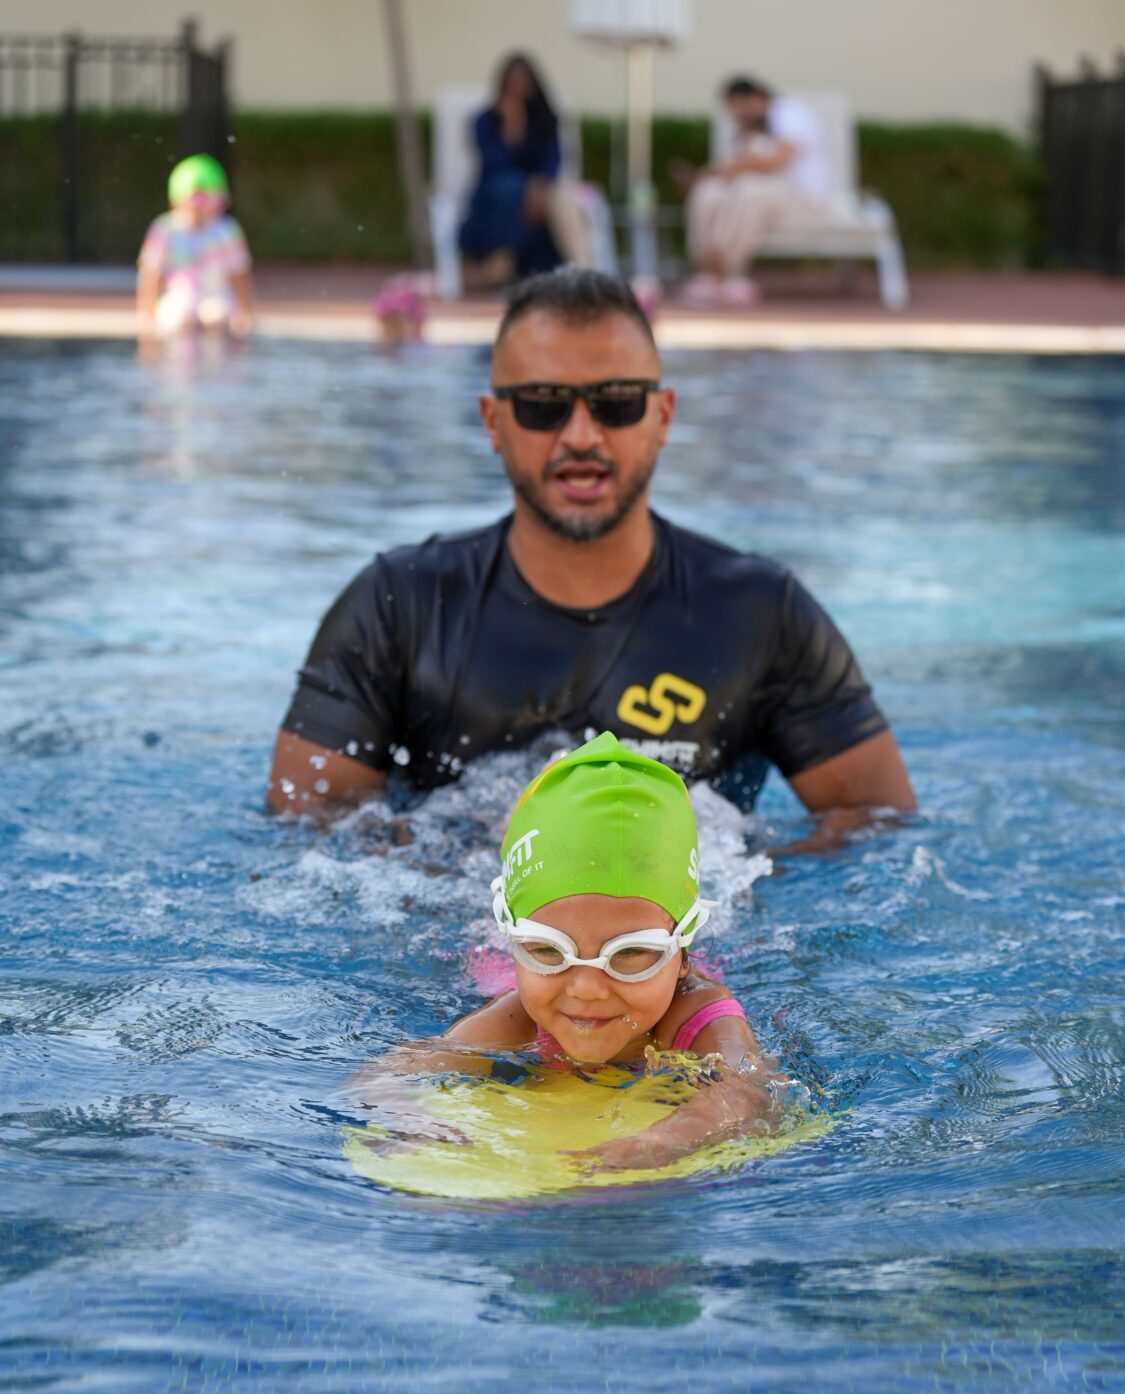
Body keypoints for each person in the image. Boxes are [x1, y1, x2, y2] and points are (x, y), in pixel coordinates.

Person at [268, 265, 915, 848]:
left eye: (616, 403)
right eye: (542, 406)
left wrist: (714, 902)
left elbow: (875, 820)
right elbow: (311, 821)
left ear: (663, 416)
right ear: (492, 422)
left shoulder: (761, 614)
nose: (581, 436)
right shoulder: (398, 606)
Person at [350, 731, 786, 1174]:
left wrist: (657, 1143)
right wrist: (415, 1121)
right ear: (515, 942)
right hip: (486, 969)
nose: (586, 988)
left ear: (684, 956)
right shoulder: (521, 1014)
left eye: (631, 954)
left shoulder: (698, 1013)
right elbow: (383, 1075)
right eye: (546, 949)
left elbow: (745, 1094)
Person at [681, 76, 832, 305]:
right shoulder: (752, 127)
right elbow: (738, 167)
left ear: (757, 98)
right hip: (767, 194)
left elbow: (775, 162)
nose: (736, 114)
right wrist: (707, 176)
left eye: (738, 106)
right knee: (708, 192)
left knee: (749, 190)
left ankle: (726, 273)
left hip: (802, 198)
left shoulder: (790, 114)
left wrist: (728, 168)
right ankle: (706, 271)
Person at [458, 54, 594, 287]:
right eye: (513, 83)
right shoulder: (485, 121)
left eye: (524, 83)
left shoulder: (546, 119)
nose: (518, 89)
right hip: (496, 201)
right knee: (511, 190)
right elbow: (493, 163)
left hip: (540, 196)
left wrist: (537, 186)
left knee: (560, 198)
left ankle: (584, 272)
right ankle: (500, 263)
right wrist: (512, 127)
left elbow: (553, 162)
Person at [136, 154, 254, 339]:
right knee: (180, 321)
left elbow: (240, 273)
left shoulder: (226, 230)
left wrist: (246, 313)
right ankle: (181, 358)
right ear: (177, 201)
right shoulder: (166, 230)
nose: (199, 211)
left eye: (206, 203)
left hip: (217, 296)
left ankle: (216, 358)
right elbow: (151, 274)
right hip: (179, 298)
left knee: (217, 317)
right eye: (194, 203)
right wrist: (147, 317)